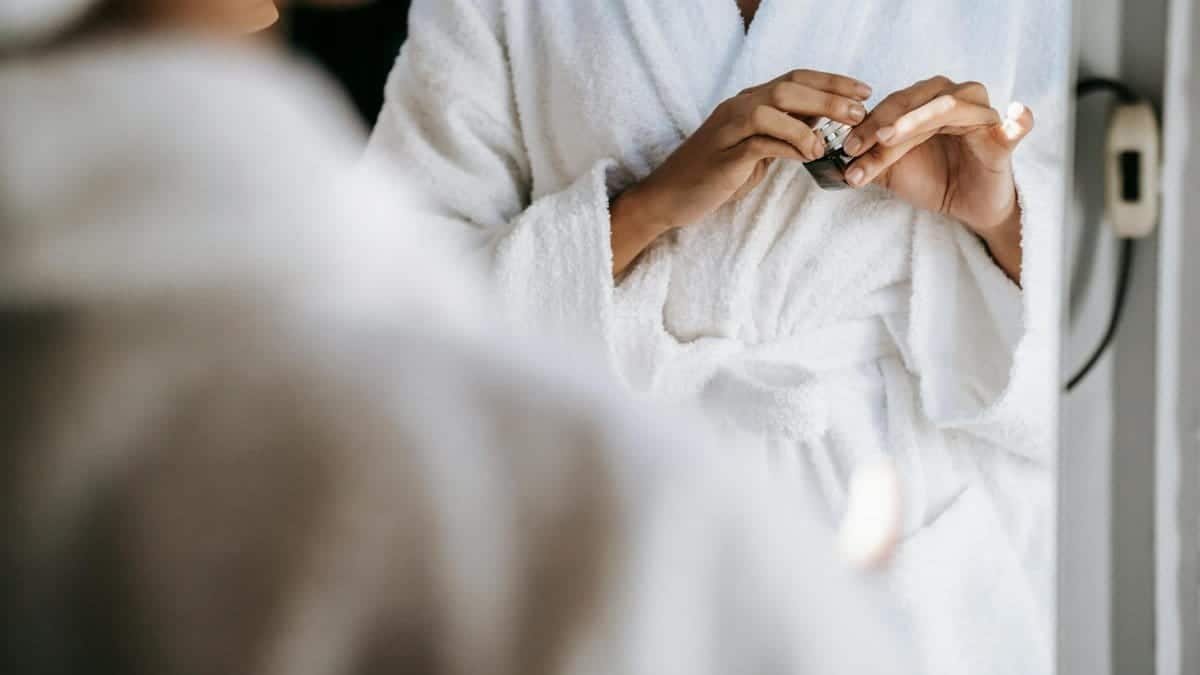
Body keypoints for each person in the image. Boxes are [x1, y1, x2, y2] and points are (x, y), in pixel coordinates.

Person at [0, 2, 911, 674]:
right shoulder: (589, 523)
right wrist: (642, 211)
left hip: (911, 531)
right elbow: (430, 285)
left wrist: (984, 219)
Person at [366, 2, 1066, 673]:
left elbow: (1113, 341)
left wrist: (1002, 216)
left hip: (911, 543)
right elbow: (390, 314)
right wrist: (644, 210)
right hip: (622, 532)